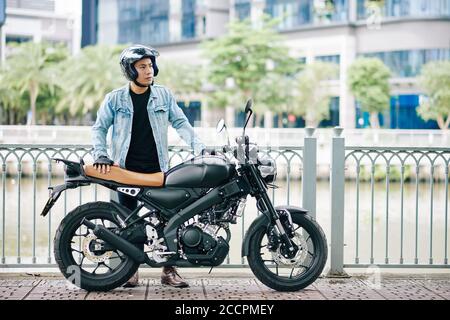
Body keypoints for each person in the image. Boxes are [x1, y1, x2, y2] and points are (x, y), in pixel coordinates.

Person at [91, 44, 208, 288]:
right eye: (142, 66)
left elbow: (181, 123)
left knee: (170, 219)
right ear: (130, 71)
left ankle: (169, 271)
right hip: (126, 171)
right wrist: (101, 154)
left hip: (158, 171)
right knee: (128, 222)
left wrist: (200, 148)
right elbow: (99, 128)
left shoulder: (163, 95)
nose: (149, 70)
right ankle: (129, 271)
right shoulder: (115, 99)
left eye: (151, 65)